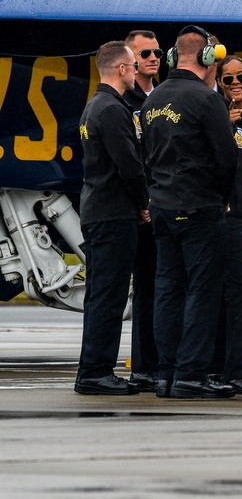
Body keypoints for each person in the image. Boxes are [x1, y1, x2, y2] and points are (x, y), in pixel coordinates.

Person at [140, 25, 237, 399]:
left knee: (168, 288)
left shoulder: (152, 99)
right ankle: (191, 374)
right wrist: (223, 196)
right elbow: (227, 158)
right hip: (198, 206)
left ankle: (165, 373)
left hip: (162, 205)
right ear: (208, 57)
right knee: (202, 290)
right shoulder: (206, 99)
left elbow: (146, 158)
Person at [74, 41, 148, 396]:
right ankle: (96, 371)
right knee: (109, 296)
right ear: (121, 69)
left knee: (99, 295)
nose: (136, 72)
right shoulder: (113, 110)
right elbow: (130, 167)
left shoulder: (94, 106)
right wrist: (144, 202)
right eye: (134, 66)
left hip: (96, 209)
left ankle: (92, 368)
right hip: (113, 213)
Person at [209, 55, 242, 394]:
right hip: (225, 218)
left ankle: (236, 365)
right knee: (233, 295)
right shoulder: (213, 118)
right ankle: (228, 368)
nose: (236, 84)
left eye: (241, 76)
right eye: (228, 79)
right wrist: (223, 126)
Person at [122, 29, 161, 392]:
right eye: (144, 53)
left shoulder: (163, 98)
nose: (152, 58)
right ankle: (144, 366)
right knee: (146, 288)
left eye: (156, 53)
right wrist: (142, 202)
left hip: (165, 205)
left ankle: (165, 361)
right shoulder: (125, 101)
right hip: (142, 211)